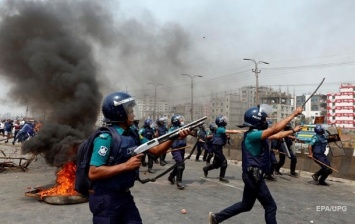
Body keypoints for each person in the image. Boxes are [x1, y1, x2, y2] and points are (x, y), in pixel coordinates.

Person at [88, 92, 190, 224]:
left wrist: (174, 137)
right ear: (119, 113)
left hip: (124, 196)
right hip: (106, 198)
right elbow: (93, 172)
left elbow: (155, 150)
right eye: (130, 110)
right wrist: (126, 166)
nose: (134, 114)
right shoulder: (106, 138)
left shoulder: (133, 133)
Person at [208, 104, 303, 224]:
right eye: (264, 119)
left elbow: (276, 135)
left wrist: (293, 130)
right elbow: (274, 129)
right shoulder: (253, 135)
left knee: (246, 205)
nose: (265, 121)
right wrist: (294, 114)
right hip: (254, 176)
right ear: (257, 121)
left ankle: (217, 218)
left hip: (251, 175)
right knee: (270, 206)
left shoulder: (257, 134)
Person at [203, 116, 245, 183]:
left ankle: (206, 168)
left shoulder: (221, 128)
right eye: (224, 120)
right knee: (224, 162)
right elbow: (232, 131)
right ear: (221, 122)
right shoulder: (220, 129)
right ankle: (221, 177)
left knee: (217, 164)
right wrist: (242, 131)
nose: (226, 121)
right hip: (216, 148)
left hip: (218, 148)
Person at [167, 114, 188, 190]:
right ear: (176, 121)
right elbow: (169, 138)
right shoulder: (172, 130)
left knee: (180, 165)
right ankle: (179, 182)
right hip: (175, 149)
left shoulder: (182, 128)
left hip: (182, 149)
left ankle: (171, 176)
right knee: (180, 164)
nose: (182, 121)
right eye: (180, 120)